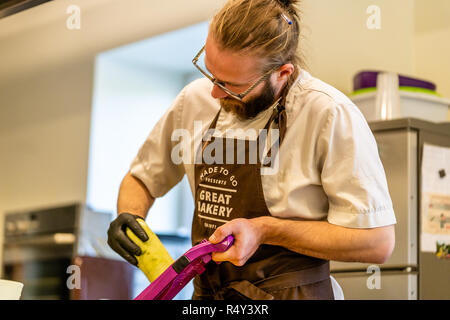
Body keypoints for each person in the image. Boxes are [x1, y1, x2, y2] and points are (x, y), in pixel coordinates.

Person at [107, 0, 396, 300]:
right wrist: (130, 215)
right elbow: (142, 178)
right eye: (209, 72)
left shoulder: (327, 113)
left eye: (232, 86)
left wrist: (266, 230)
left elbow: (377, 242)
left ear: (282, 74)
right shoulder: (194, 100)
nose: (215, 93)